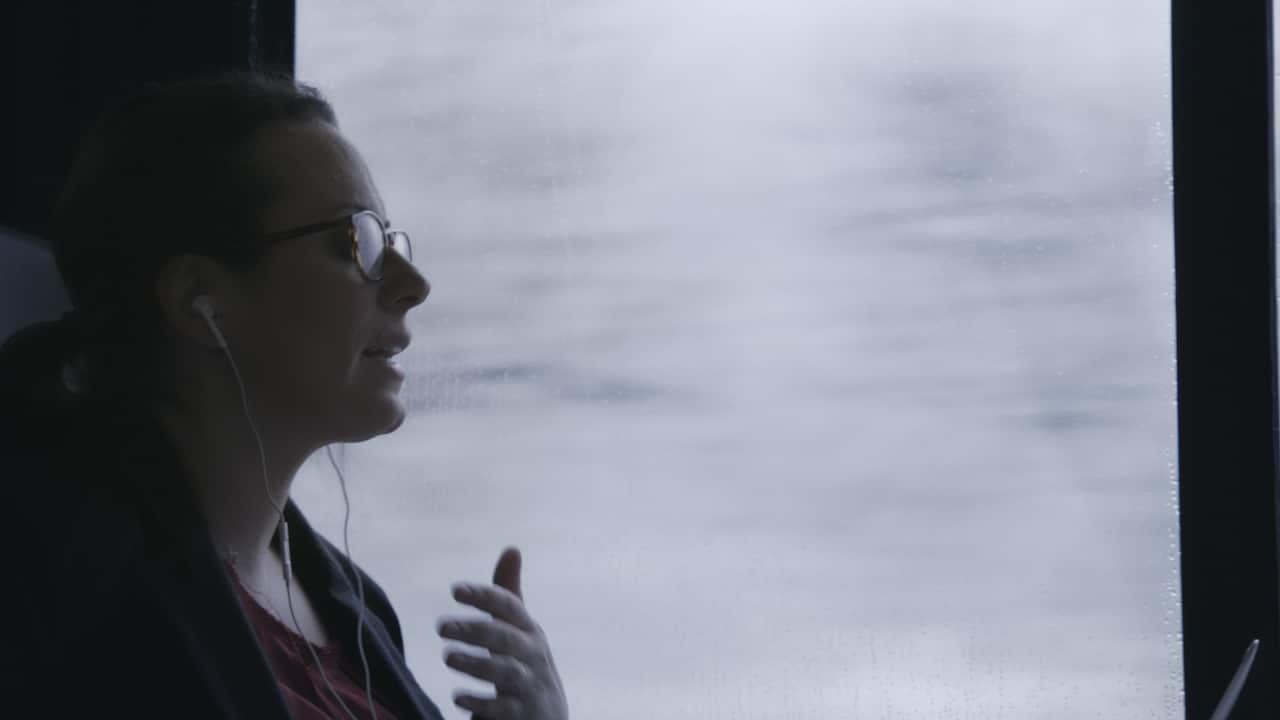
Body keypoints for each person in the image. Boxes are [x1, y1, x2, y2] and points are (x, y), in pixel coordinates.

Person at [0, 70, 570, 720]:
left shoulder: (357, 611)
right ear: (198, 300)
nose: (413, 284)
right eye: (359, 242)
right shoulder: (59, 596)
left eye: (392, 242)